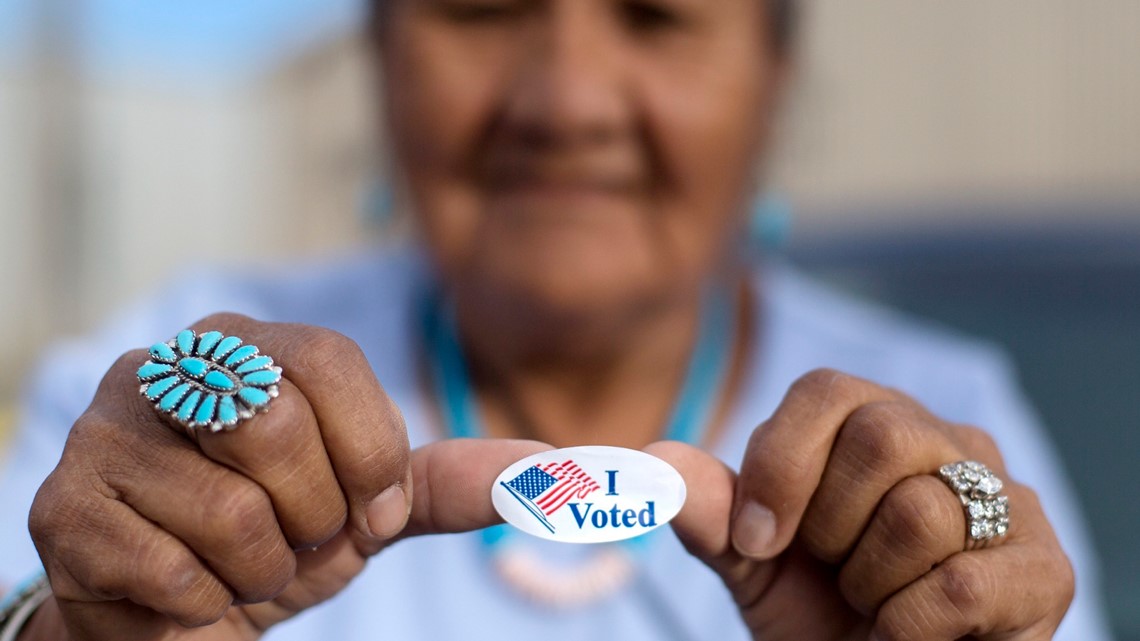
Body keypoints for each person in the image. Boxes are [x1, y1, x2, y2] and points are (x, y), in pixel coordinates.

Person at [0, 0, 1113, 639]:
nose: (567, 101)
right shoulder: (185, 373)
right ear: (379, 61)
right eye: (482, 7)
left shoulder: (943, 419)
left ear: (773, 78)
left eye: (657, 14)